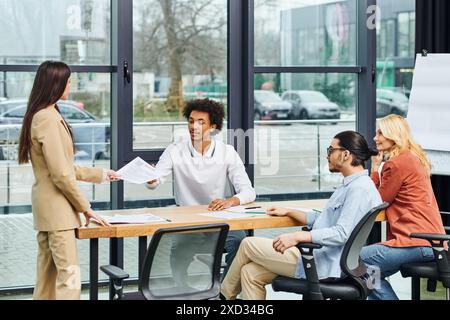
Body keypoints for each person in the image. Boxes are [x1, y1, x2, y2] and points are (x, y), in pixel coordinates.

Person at [220, 131, 382, 300]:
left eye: (330, 150)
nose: (327, 156)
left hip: (321, 262)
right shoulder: (354, 185)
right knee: (250, 272)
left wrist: (299, 236)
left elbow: (342, 233)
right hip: (322, 256)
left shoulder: (359, 189)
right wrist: (290, 211)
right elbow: (326, 219)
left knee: (247, 244)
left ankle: (223, 298)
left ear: (346, 154)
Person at [18, 61, 120, 300]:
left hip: (48, 213)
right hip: (57, 214)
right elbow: (61, 174)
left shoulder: (44, 114)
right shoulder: (48, 118)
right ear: (56, 83)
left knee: (47, 278)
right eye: (69, 79)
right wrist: (86, 208)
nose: (71, 84)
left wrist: (102, 174)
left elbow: (63, 167)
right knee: (70, 276)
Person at [146, 98, 256, 282]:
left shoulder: (227, 152)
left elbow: (248, 192)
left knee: (239, 241)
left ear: (213, 126)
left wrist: (230, 201)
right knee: (179, 247)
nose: (193, 126)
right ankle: (182, 291)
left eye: (200, 122)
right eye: (191, 121)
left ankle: (225, 291)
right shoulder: (175, 150)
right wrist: (150, 179)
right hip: (187, 220)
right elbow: (155, 181)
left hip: (221, 217)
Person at [360, 114, 447, 300]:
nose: (375, 138)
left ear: (394, 134)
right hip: (430, 242)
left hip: (416, 242)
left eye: (380, 133)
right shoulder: (412, 158)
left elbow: (378, 200)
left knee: (356, 262)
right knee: (373, 274)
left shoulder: (397, 163)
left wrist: (375, 169)